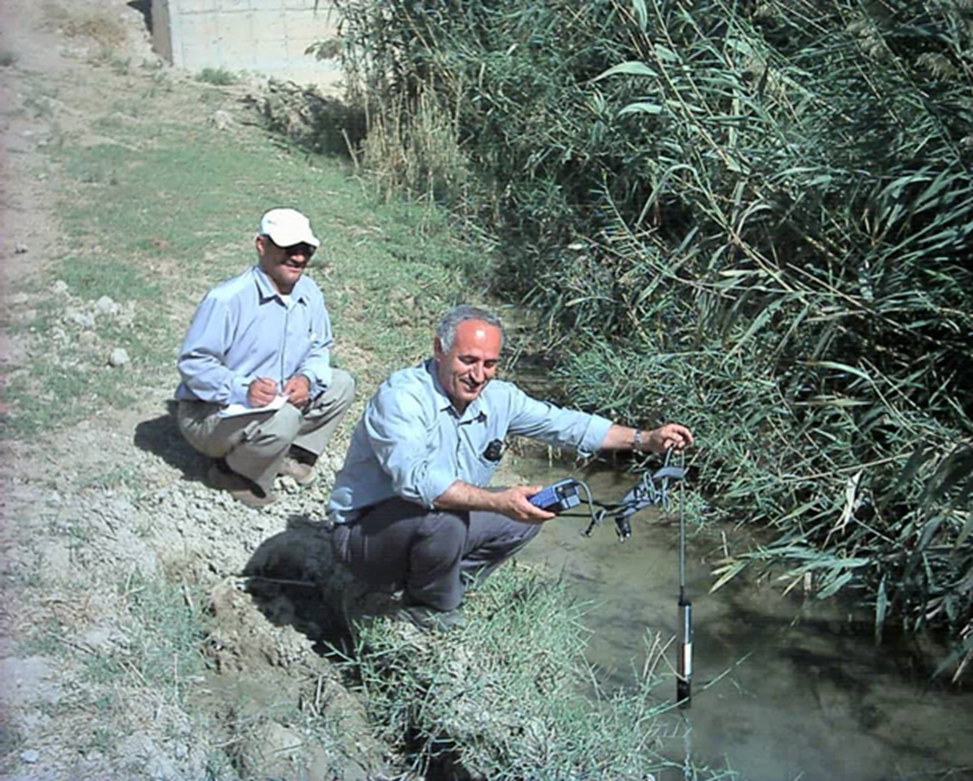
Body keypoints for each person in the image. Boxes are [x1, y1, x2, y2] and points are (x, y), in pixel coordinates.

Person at [327, 304, 693, 629]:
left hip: (433, 525)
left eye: (489, 364)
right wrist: (497, 501)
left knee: (531, 510)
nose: (478, 375)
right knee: (447, 518)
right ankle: (429, 607)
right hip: (364, 536)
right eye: (468, 361)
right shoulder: (402, 397)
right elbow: (417, 482)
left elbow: (565, 425)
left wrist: (644, 439)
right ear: (439, 349)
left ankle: (441, 586)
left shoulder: (500, 397)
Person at [174, 208, 355, 508]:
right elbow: (193, 364)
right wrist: (242, 389)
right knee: (285, 418)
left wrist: (307, 378)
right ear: (261, 245)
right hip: (211, 413)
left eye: (306, 249)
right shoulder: (227, 300)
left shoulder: (309, 292)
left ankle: (284, 455)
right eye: (288, 248)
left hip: (273, 402)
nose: (299, 257)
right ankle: (232, 472)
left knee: (341, 384)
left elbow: (320, 347)